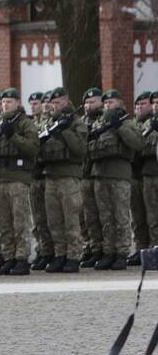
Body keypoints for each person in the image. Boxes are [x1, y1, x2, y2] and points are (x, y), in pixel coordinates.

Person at [0, 88, 39, 276]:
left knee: (19, 220)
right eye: (3, 102)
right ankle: (8, 257)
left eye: (9, 102)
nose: (5, 105)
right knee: (2, 222)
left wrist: (12, 136)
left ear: (17, 102)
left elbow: (32, 149)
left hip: (18, 177)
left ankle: (21, 258)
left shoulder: (26, 124)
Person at [89, 89, 144, 270]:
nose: (107, 106)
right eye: (105, 103)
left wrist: (119, 127)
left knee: (120, 216)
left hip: (119, 174)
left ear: (120, 103)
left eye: (111, 102)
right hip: (99, 174)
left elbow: (137, 144)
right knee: (105, 217)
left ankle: (121, 252)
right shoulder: (98, 123)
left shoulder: (126, 123)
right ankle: (109, 251)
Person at [37, 86, 87, 273]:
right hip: (50, 175)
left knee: (71, 219)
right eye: (52, 103)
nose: (54, 106)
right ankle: (60, 255)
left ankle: (74, 255)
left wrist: (64, 131)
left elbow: (80, 149)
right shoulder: (48, 122)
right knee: (54, 220)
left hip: (69, 177)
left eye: (58, 102)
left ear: (66, 101)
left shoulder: (76, 123)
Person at [79, 88, 106, 266]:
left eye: (93, 102)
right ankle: (92, 248)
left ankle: (107, 249)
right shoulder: (81, 122)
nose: (89, 106)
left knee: (103, 214)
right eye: (87, 103)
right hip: (84, 174)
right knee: (87, 217)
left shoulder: (108, 120)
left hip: (101, 174)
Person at [29, 91, 55, 270]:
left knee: (49, 218)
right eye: (33, 104)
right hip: (34, 173)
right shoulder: (32, 123)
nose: (38, 106)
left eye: (39, 103)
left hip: (48, 173)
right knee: (37, 219)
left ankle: (51, 251)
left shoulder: (51, 123)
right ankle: (43, 249)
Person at [130, 92, 154, 264]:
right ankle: (141, 250)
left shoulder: (152, 124)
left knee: (154, 217)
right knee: (138, 217)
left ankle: (154, 250)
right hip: (137, 174)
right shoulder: (133, 124)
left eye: (144, 104)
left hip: (151, 172)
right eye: (137, 105)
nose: (140, 107)